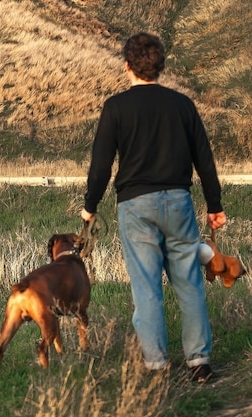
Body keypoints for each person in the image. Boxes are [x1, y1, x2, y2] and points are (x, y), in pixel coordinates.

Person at [81, 32, 227, 383]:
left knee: (146, 289)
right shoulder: (182, 105)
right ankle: (199, 364)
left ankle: (157, 366)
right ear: (160, 66)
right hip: (178, 202)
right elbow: (204, 159)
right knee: (190, 285)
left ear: (127, 66)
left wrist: (90, 208)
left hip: (135, 206)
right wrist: (214, 205)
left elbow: (101, 166)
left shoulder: (116, 107)